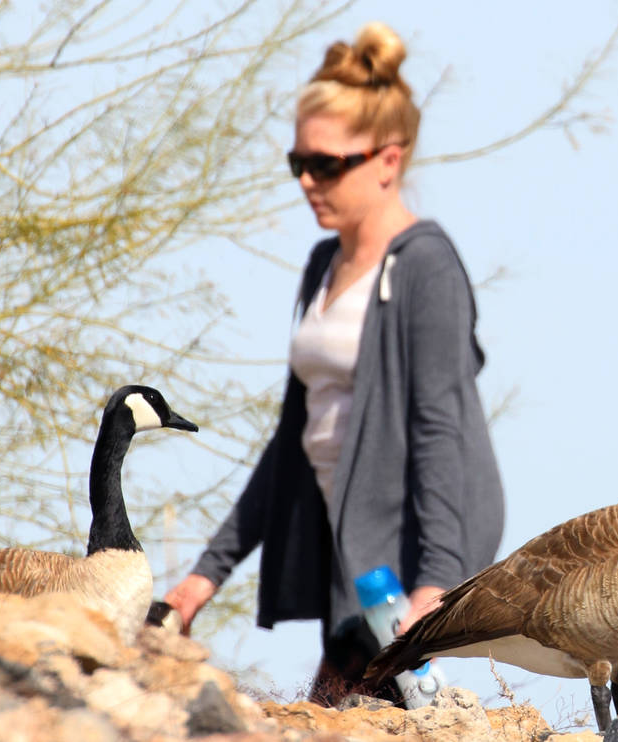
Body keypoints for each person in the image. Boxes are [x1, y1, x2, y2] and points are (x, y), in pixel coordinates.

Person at [164, 21, 504, 706]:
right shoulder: (324, 265)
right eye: (299, 164)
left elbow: (442, 434)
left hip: (405, 572)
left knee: (355, 713)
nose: (308, 182)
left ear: (388, 159)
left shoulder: (425, 269)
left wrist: (435, 592)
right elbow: (294, 443)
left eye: (327, 165)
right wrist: (205, 576)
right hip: (348, 558)